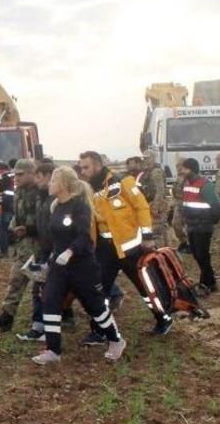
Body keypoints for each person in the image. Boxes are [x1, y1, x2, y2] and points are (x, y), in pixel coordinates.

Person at [32, 166, 125, 365]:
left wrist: (70, 251)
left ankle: (115, 340)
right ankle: (53, 350)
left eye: (53, 181)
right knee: (50, 301)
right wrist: (48, 260)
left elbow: (85, 237)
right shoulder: (55, 206)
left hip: (82, 267)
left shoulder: (80, 206)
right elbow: (54, 239)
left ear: (63, 184)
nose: (49, 184)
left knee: (95, 306)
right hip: (59, 267)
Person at [79, 151, 166, 337]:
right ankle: (100, 330)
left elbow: (141, 207)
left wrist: (147, 236)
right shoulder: (89, 190)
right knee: (99, 290)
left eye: (86, 167)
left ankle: (163, 318)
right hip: (104, 249)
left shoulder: (123, 181)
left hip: (130, 248)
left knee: (145, 287)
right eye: (81, 168)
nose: (83, 171)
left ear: (97, 165)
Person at [0, 158, 39, 331]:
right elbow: (18, 214)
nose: (17, 178)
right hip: (24, 243)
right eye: (16, 174)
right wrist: (14, 228)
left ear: (32, 173)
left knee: (42, 284)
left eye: (21, 174)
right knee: (17, 278)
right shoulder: (20, 191)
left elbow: (43, 219)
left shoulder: (39, 192)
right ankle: (7, 316)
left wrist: (28, 229)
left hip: (37, 244)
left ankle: (56, 317)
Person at [17, 161, 57, 341]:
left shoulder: (56, 199)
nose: (37, 180)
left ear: (49, 177)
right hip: (43, 249)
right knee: (39, 287)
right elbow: (42, 226)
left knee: (75, 290)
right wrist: (29, 230)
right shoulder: (42, 196)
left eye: (39, 177)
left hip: (55, 251)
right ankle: (40, 327)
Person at [179, 158, 220, 292]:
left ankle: (208, 283)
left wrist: (211, 220)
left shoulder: (205, 184)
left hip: (203, 225)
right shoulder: (186, 183)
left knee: (202, 254)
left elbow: (216, 206)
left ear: (191, 169)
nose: (182, 171)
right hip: (191, 225)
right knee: (197, 254)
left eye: (185, 169)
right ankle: (209, 281)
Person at [135, 150, 170, 248]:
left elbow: (160, 190)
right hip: (150, 203)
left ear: (153, 158)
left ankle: (161, 252)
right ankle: (166, 250)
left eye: (148, 158)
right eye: (144, 158)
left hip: (157, 205)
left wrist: (155, 206)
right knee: (162, 231)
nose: (145, 160)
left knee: (157, 232)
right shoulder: (146, 172)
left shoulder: (156, 172)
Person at [0, 159, 17, 257]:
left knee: (3, 229)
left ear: (9, 165)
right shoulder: (21, 175)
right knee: (18, 228)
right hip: (19, 204)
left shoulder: (5, 175)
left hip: (7, 204)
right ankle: (17, 252)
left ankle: (4, 252)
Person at [170, 160, 188, 252]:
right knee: (175, 224)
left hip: (186, 203)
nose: (178, 168)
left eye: (180, 165)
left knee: (187, 225)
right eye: (177, 166)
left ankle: (189, 244)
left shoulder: (188, 177)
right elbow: (174, 190)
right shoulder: (178, 177)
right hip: (178, 203)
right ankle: (183, 242)